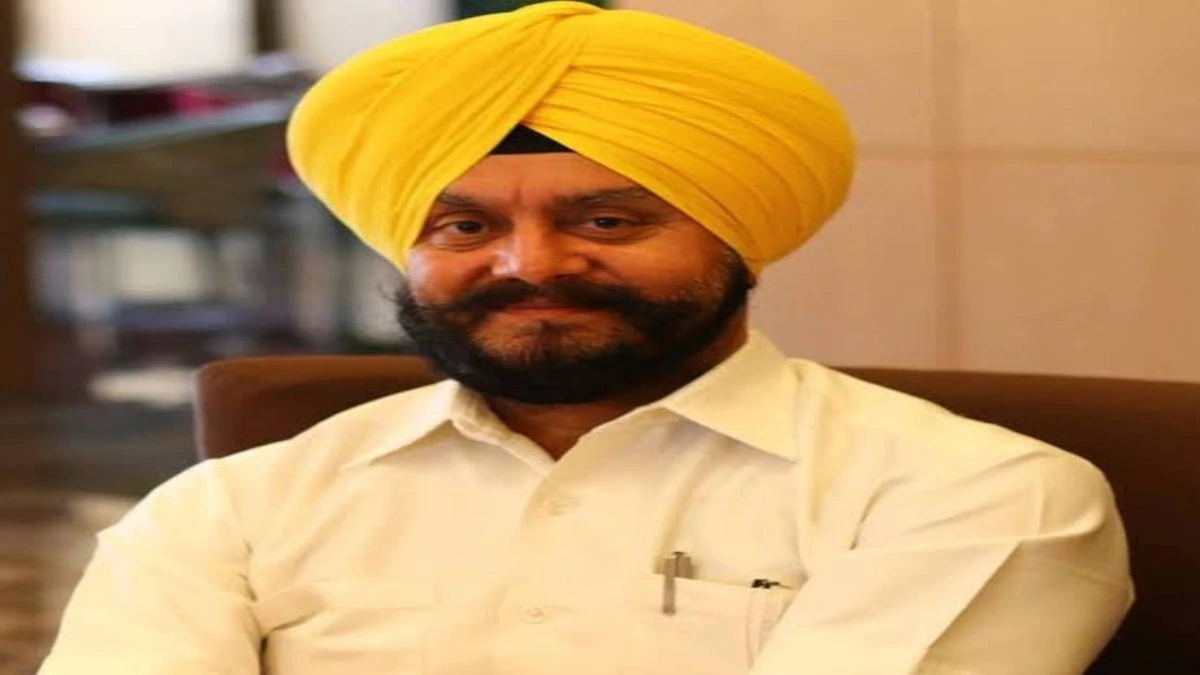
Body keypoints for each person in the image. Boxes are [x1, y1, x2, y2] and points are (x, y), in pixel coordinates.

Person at [40, 3, 1132, 674]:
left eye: (607, 221)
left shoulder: (969, 495)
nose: (530, 265)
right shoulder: (232, 509)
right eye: (464, 227)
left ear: (742, 238)